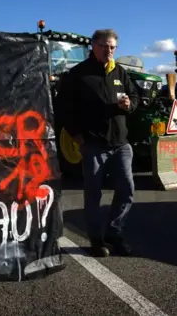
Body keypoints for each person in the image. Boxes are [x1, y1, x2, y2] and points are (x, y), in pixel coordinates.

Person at [59, 28, 139, 257]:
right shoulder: (78, 75)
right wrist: (76, 135)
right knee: (93, 194)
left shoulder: (120, 73)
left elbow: (134, 97)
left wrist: (129, 105)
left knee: (127, 189)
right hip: (93, 144)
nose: (109, 51)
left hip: (121, 143)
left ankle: (114, 232)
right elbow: (65, 109)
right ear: (93, 46)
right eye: (104, 46)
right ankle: (96, 240)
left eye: (112, 47)